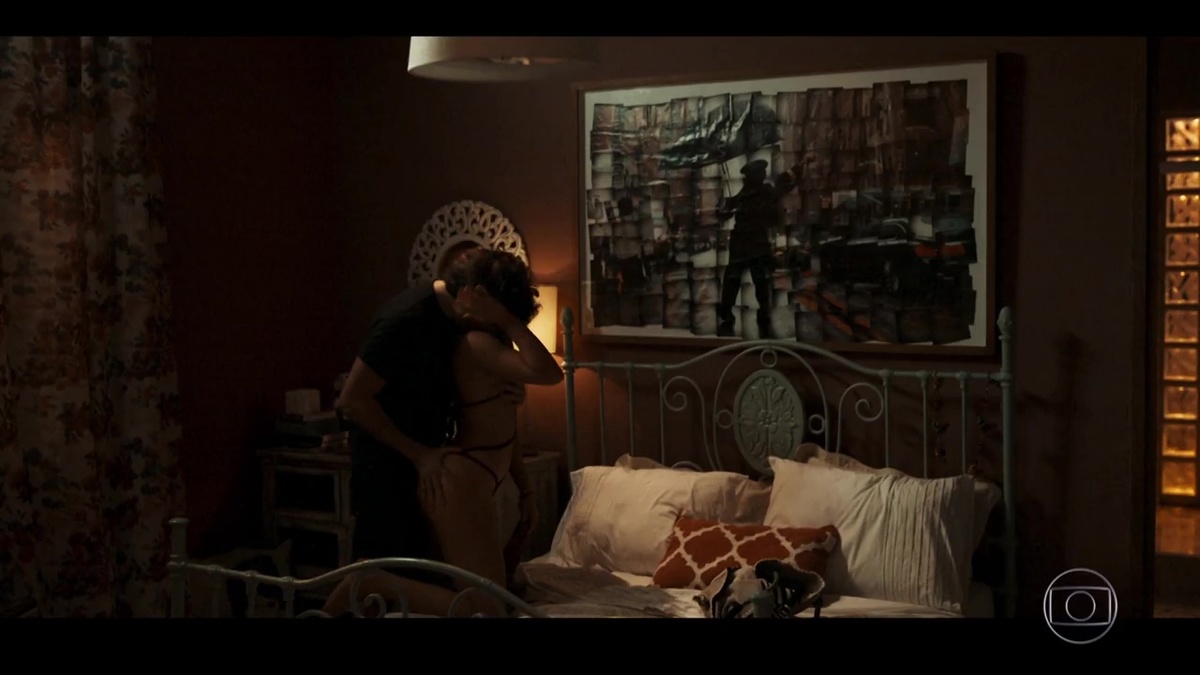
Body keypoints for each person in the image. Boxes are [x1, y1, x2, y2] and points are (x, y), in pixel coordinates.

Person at [322, 248, 560, 617]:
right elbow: (352, 400)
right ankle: (368, 580)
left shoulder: (461, 326)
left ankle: (373, 581)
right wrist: (420, 455)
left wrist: (525, 488)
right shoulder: (408, 319)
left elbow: (498, 410)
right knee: (480, 607)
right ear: (473, 296)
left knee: (437, 590)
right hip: (390, 462)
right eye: (498, 313)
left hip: (438, 463)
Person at [716, 158, 802, 339]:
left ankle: (728, 313)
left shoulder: (745, 194)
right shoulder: (760, 192)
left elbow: (723, 212)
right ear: (756, 176)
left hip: (744, 245)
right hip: (754, 245)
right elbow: (783, 183)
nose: (763, 175)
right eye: (761, 173)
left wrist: (726, 207)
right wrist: (800, 165)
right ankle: (760, 313)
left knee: (736, 281)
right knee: (757, 281)